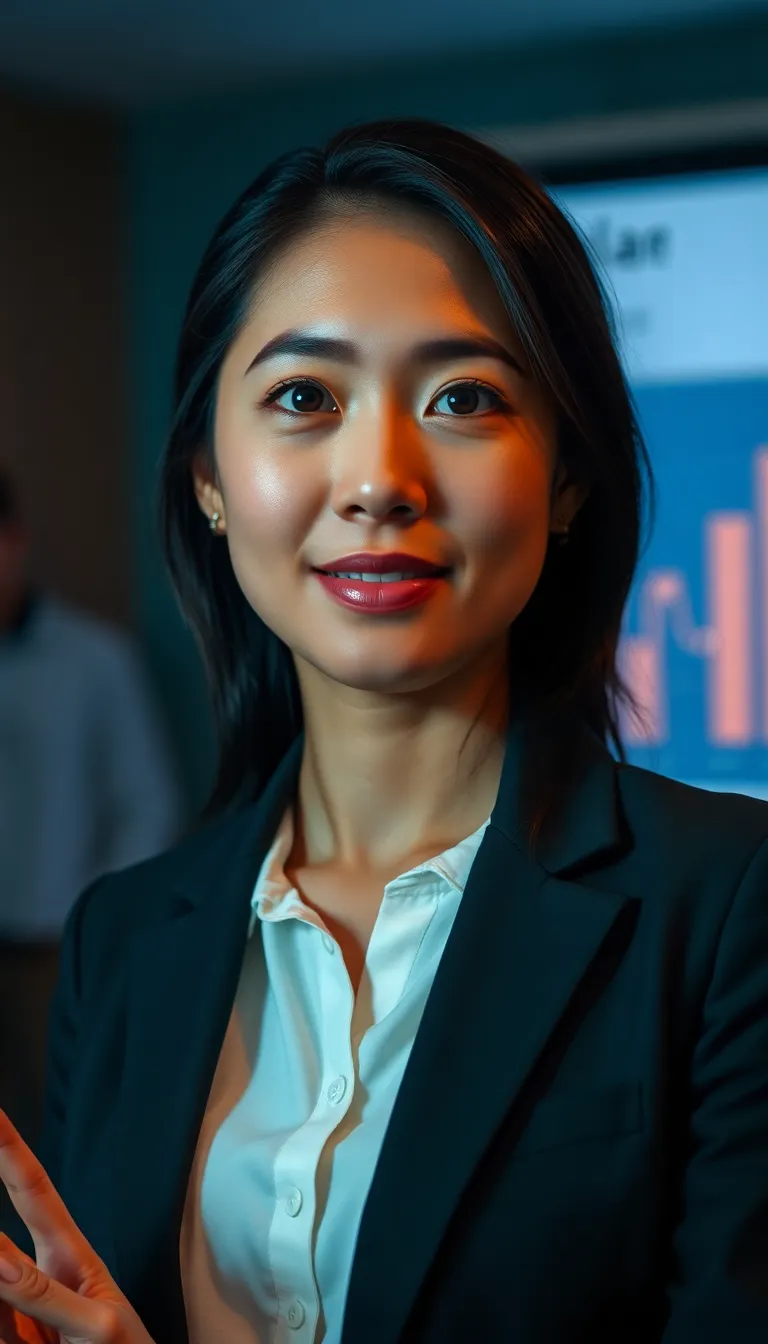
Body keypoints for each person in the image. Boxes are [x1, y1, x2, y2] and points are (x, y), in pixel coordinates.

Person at [0, 116, 766, 1344]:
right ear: (206, 472)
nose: (379, 478)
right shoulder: (125, 944)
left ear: (567, 477)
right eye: (303, 396)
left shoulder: (728, 906)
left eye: (465, 397)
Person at [0, 469, 181, 1152]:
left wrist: (92, 923)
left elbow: (148, 806)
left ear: (13, 542)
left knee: (70, 1142)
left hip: (57, 950)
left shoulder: (96, 661)